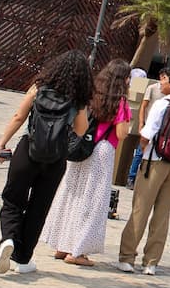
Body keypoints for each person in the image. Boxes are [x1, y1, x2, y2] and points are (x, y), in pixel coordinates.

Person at [0, 50, 93, 275]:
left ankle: (8, 239)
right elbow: (81, 130)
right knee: (38, 209)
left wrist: (2, 143)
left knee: (12, 200)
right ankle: (23, 259)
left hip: (27, 150)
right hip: (55, 159)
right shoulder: (77, 100)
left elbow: (19, 117)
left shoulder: (38, 88)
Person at [42, 58, 133, 267]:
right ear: (123, 79)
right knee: (93, 201)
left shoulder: (92, 94)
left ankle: (62, 244)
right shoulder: (120, 101)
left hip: (81, 147)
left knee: (72, 194)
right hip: (102, 151)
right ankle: (78, 251)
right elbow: (122, 133)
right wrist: (128, 120)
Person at [118, 66, 170, 275]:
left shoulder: (162, 104)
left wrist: (144, 150)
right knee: (162, 214)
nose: (161, 83)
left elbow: (146, 134)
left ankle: (127, 257)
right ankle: (151, 262)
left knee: (140, 209)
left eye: (165, 79)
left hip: (154, 161)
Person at [127, 76, 165, 190]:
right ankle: (131, 178)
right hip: (149, 126)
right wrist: (141, 123)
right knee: (140, 152)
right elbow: (143, 106)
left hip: (162, 129)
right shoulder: (152, 88)